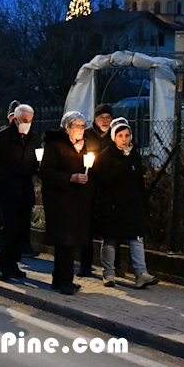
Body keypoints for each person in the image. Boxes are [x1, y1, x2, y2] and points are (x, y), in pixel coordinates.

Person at [92, 118, 159, 289]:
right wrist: (124, 161)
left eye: (127, 135)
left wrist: (143, 199)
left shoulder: (134, 155)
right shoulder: (106, 155)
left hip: (131, 205)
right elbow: (106, 179)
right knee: (110, 240)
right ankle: (109, 273)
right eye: (120, 135)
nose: (124, 139)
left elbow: (137, 179)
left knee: (136, 238)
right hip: (113, 205)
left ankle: (141, 273)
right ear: (114, 137)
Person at [39, 111, 95, 295]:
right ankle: (65, 281)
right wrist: (70, 177)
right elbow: (46, 173)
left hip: (77, 202)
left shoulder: (84, 146)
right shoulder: (56, 146)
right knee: (65, 242)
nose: (81, 129)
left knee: (71, 242)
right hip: (60, 202)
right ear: (67, 127)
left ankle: (60, 279)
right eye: (77, 126)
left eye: (83, 125)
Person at [0, 103, 39, 281]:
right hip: (7, 190)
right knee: (6, 228)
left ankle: (14, 264)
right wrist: (3, 177)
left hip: (24, 189)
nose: (27, 124)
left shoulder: (32, 138)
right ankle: (4, 265)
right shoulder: (2, 137)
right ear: (15, 119)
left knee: (21, 229)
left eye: (29, 121)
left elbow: (34, 161)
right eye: (23, 120)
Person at [78, 103, 114, 277]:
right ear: (96, 119)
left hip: (108, 187)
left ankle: (113, 267)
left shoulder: (115, 136)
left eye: (108, 118)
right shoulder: (86, 136)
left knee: (110, 227)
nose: (105, 121)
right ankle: (85, 265)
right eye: (102, 117)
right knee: (87, 227)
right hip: (90, 185)